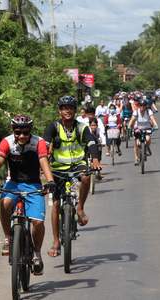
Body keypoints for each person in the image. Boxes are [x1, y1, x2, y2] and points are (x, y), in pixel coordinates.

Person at [0, 114, 56, 275]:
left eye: (25, 132)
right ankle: (8, 238)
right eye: (18, 132)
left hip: (33, 184)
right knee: (5, 204)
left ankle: (36, 253)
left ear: (30, 131)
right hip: (13, 183)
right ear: (13, 131)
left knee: (37, 222)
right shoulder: (6, 142)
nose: (21, 136)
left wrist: (50, 181)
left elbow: (44, 162)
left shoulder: (39, 142)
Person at [43, 96, 101, 257]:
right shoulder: (53, 127)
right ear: (59, 111)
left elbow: (91, 143)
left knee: (86, 177)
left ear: (75, 111)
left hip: (77, 165)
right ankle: (55, 241)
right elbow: (45, 144)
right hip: (57, 169)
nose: (67, 110)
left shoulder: (82, 127)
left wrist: (95, 159)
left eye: (70, 107)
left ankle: (80, 207)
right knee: (55, 205)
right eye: (64, 108)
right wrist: (44, 158)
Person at [128, 100, 159, 165]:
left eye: (144, 106)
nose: (142, 107)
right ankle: (136, 158)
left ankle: (146, 148)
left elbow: (152, 119)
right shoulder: (136, 112)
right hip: (138, 129)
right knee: (136, 143)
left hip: (147, 128)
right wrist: (129, 127)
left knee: (148, 139)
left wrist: (155, 125)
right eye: (141, 105)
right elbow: (132, 120)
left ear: (146, 106)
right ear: (139, 106)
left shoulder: (148, 111)